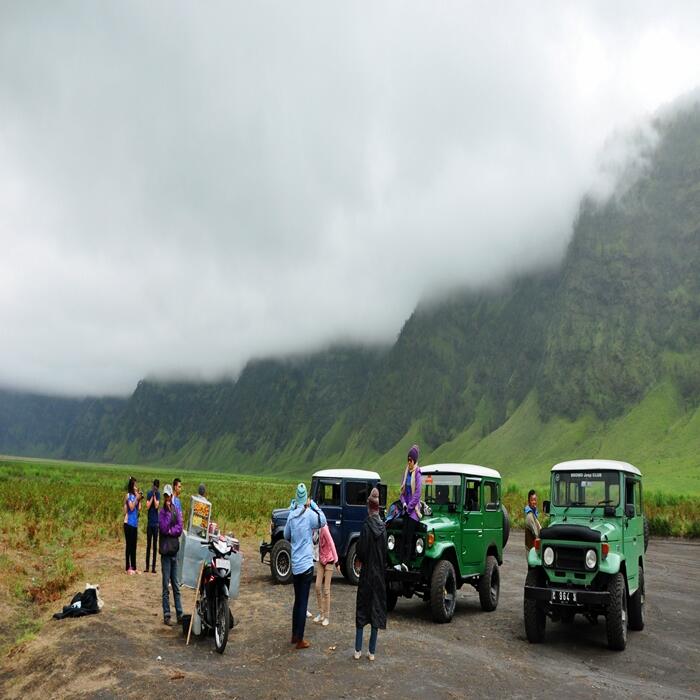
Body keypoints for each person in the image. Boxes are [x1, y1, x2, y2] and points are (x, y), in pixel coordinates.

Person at [283, 483, 327, 649]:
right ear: (305, 499)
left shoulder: (291, 515)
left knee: (297, 601)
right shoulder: (309, 514)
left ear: (296, 498)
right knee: (303, 602)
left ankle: (294, 635)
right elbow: (322, 521)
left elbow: (286, 535)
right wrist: (314, 504)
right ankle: (300, 639)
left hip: (295, 564)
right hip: (307, 564)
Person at [354, 488, 387, 661]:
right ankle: (371, 652)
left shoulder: (366, 526)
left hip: (367, 574)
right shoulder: (383, 528)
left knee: (362, 609)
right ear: (378, 508)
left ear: (369, 507)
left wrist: (360, 560)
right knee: (376, 610)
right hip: (379, 575)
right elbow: (385, 553)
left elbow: (361, 550)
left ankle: (358, 650)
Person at [159, 484, 183, 626]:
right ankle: (167, 614)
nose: (167, 498)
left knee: (175, 584)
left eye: (169, 496)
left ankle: (179, 613)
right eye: (165, 496)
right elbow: (163, 527)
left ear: (172, 496)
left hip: (173, 550)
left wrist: (170, 531)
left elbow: (179, 528)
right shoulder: (162, 513)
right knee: (165, 585)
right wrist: (168, 514)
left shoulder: (177, 510)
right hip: (165, 552)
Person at [396, 444, 422, 572]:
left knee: (409, 536)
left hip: (413, 511)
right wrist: (404, 504)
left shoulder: (417, 473)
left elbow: (417, 494)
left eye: (411, 460)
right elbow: (403, 492)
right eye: (408, 460)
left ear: (415, 460)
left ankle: (407, 562)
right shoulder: (406, 472)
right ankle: (400, 561)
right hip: (406, 508)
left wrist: (410, 507)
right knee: (402, 535)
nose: (409, 463)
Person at [313, 523, 339, 626]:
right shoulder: (314, 529)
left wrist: (337, 561)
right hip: (321, 559)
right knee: (317, 586)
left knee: (326, 590)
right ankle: (321, 613)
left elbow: (332, 543)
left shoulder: (324, 528)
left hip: (329, 560)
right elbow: (314, 542)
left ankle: (327, 617)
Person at [123, 476, 142, 575]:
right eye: (135, 485)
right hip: (128, 523)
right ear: (131, 486)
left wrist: (139, 499)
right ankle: (127, 567)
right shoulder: (128, 495)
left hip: (134, 524)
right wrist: (136, 499)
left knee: (134, 546)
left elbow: (139, 509)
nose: (136, 487)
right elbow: (130, 507)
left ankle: (134, 567)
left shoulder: (135, 496)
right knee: (129, 545)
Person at [144, 479, 160, 574]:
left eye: (157, 487)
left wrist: (154, 497)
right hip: (150, 523)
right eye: (155, 487)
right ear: (153, 486)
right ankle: (147, 567)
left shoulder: (158, 494)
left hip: (156, 523)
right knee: (148, 545)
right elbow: (148, 506)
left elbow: (157, 506)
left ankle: (153, 567)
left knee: (154, 546)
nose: (156, 488)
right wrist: (151, 497)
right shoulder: (149, 493)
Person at [524, 489, 541, 557]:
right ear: (529, 501)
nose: (534, 502)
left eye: (535, 500)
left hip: (533, 550)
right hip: (531, 552)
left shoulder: (533, 513)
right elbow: (537, 534)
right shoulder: (529, 516)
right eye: (532, 500)